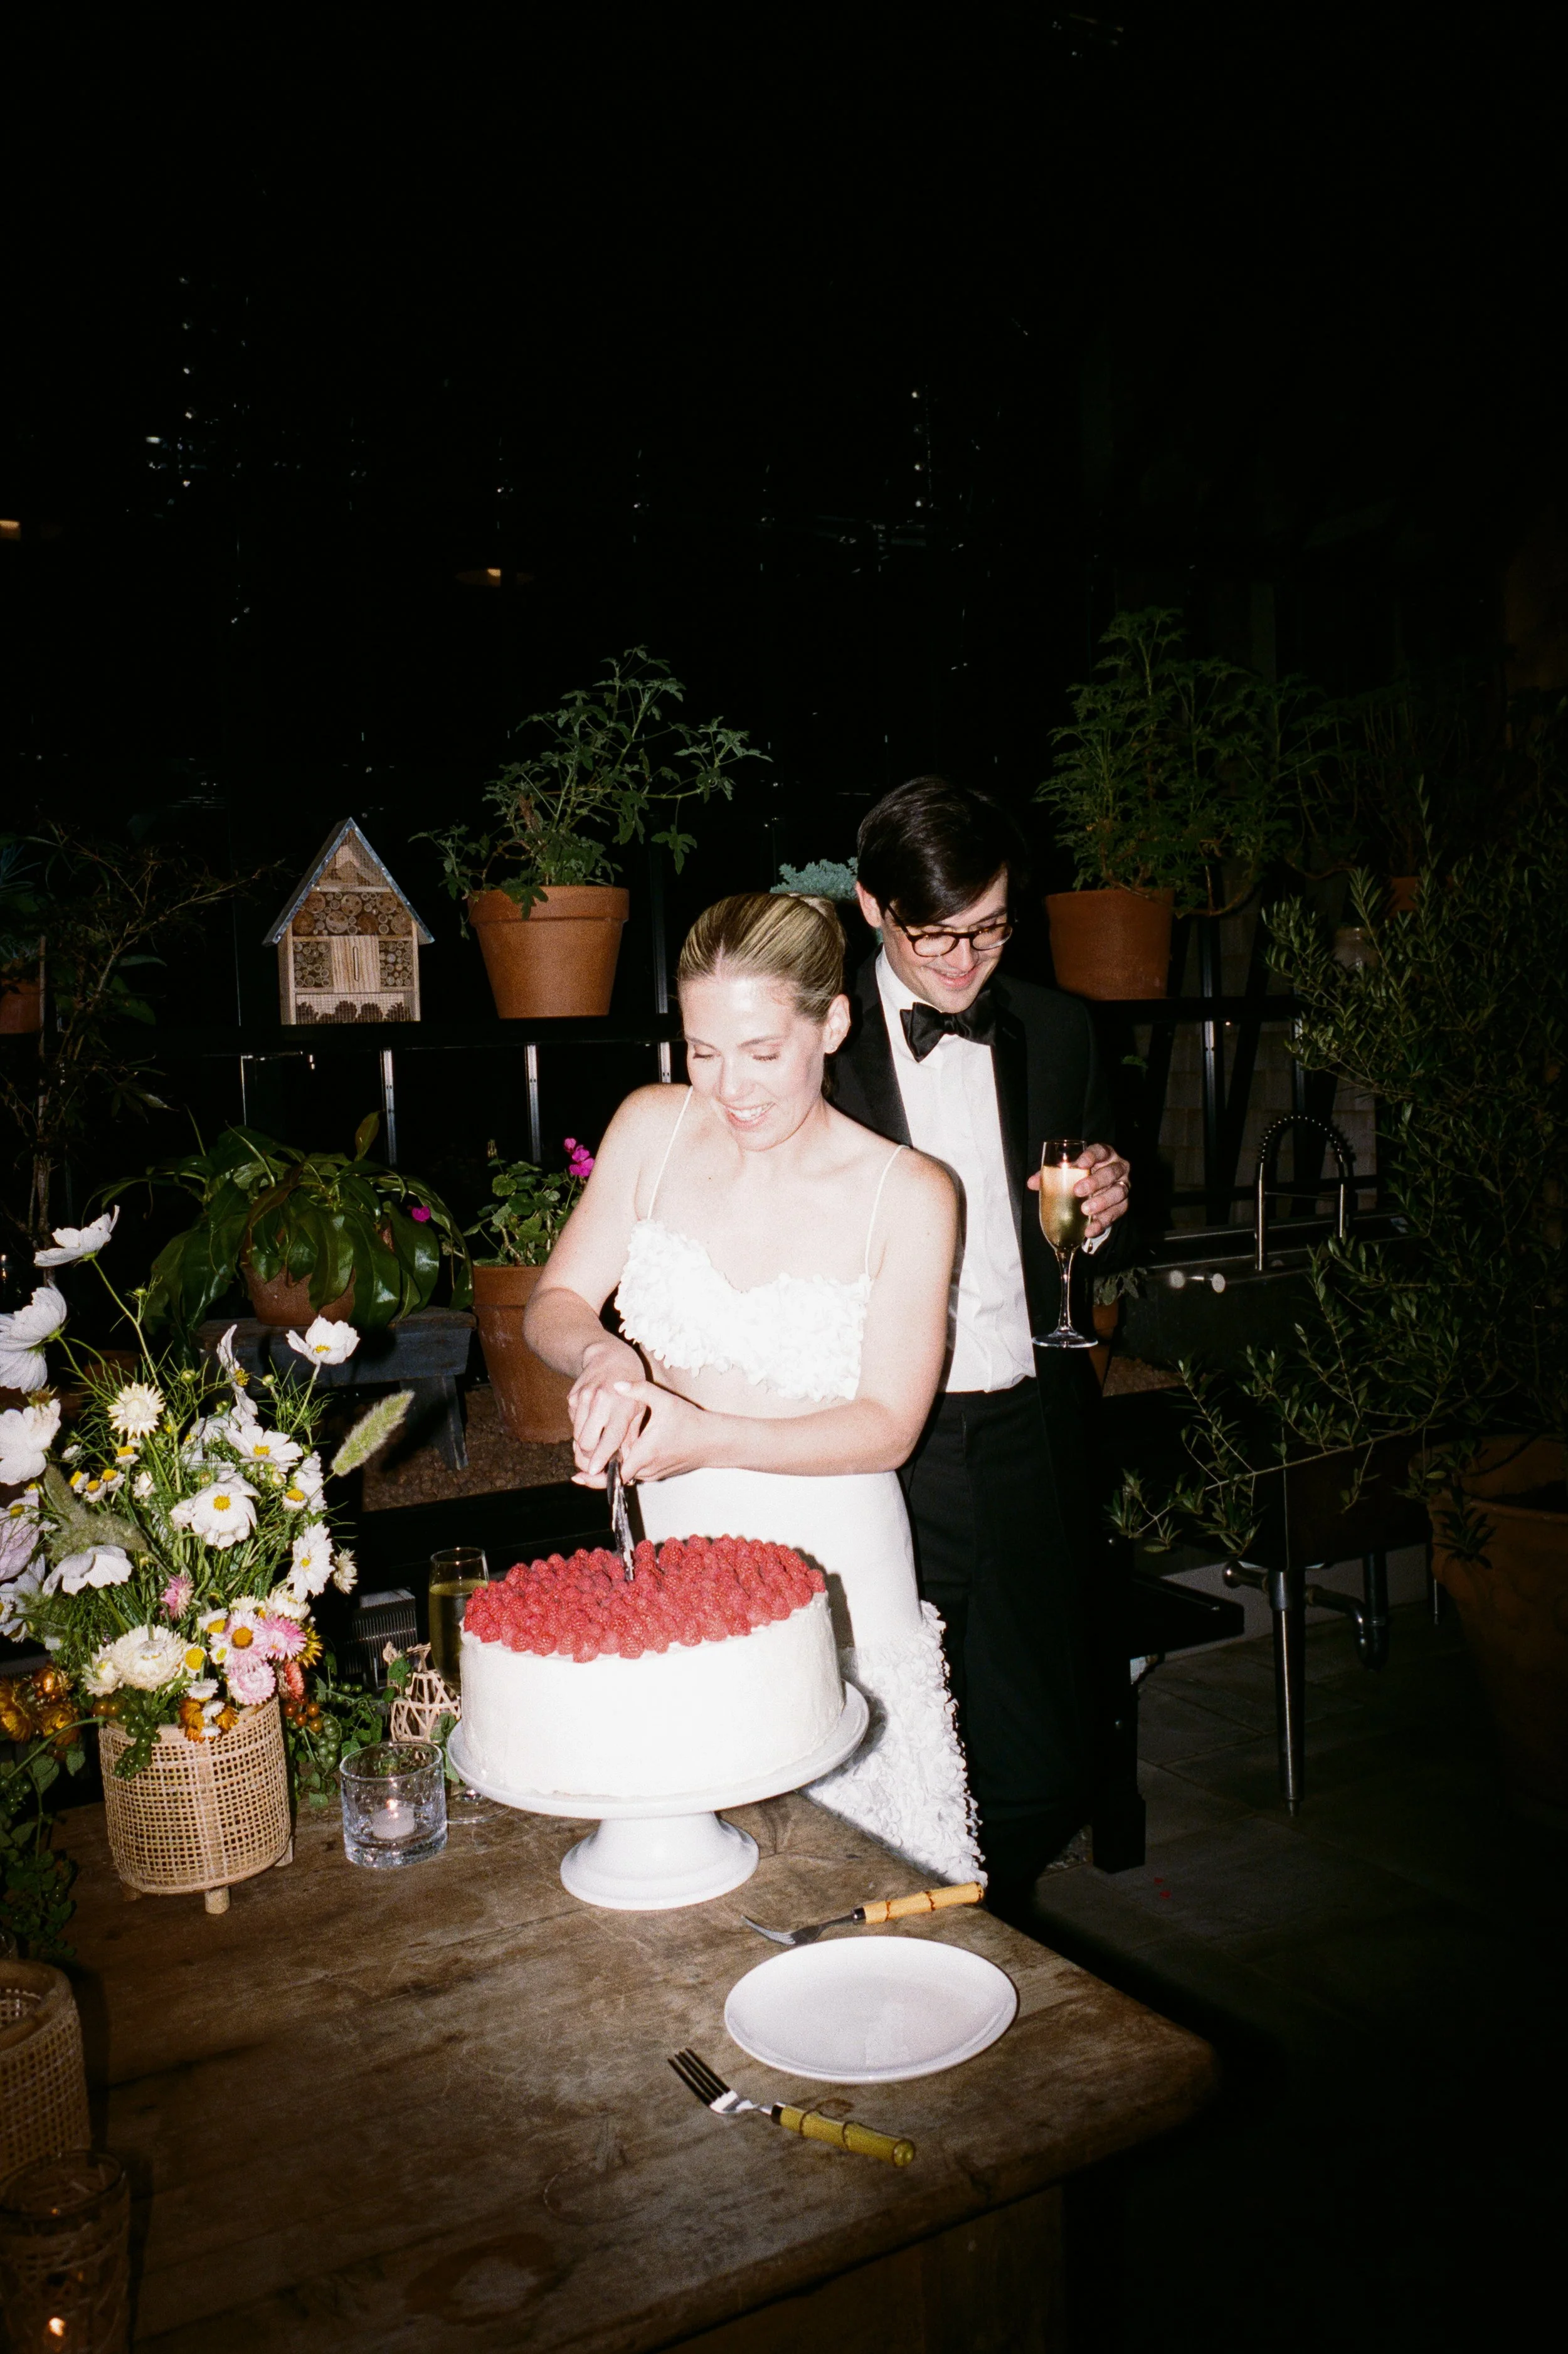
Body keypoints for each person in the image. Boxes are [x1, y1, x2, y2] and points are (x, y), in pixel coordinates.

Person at [523, 889, 982, 1883]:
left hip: (842, 1584)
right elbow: (556, 1298)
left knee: (855, 1889)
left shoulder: (909, 1193)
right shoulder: (651, 1129)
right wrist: (605, 1356)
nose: (731, 1088)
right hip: (677, 1571)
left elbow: (889, 1427)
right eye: (704, 1052)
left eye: (763, 1052)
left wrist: (706, 1435)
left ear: (834, 1024)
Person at [828, 774, 1133, 1922]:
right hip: (882, 1445)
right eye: (936, 934)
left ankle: (961, 1925)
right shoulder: (815, 1042)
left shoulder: (1058, 1028)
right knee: (877, 1752)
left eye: (992, 928)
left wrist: (1107, 1201)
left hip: (1029, 1420)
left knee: (1051, 1759)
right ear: (870, 908)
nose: (966, 963)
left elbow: (1081, 1230)